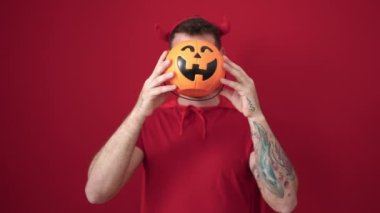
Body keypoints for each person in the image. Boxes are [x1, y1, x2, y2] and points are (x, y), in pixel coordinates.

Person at [85, 17, 298, 213]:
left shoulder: (247, 124)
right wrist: (139, 111)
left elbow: (285, 203)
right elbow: (96, 193)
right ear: (168, 60)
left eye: (204, 52)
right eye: (185, 53)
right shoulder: (148, 122)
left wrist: (256, 116)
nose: (195, 60)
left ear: (221, 57)